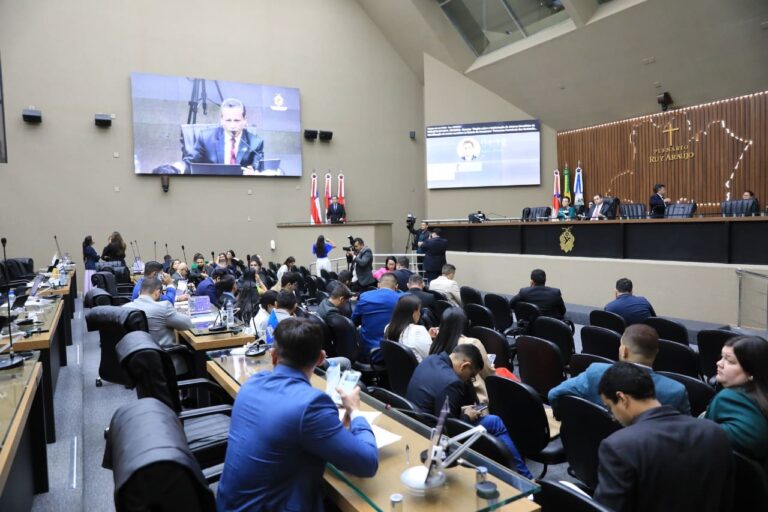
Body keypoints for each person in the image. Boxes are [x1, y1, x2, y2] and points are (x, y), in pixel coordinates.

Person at [216, 318, 378, 511]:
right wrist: (355, 411)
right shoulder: (312, 405)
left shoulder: (251, 383)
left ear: (274, 355)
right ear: (321, 358)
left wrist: (332, 429)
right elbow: (367, 463)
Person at [594, 362, 733, 512]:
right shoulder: (715, 432)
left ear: (622, 398)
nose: (613, 417)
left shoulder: (618, 447)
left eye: (609, 408)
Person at [406, 344, 532, 479]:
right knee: (495, 422)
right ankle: (525, 477)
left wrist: (460, 411)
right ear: (464, 365)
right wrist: (466, 416)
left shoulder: (430, 359)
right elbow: (449, 432)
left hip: (414, 424)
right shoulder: (453, 383)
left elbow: (436, 401)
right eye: (471, 376)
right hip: (432, 438)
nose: (469, 380)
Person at [548, 324, 690, 416]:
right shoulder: (675, 391)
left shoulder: (596, 372)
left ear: (624, 350)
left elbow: (554, 394)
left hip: (590, 449)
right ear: (656, 353)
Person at [704, 336, 768, 468]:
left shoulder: (729, 398)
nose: (719, 363)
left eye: (730, 361)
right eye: (721, 357)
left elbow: (755, 438)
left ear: (751, 371)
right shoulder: (761, 394)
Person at [123, 277, 193, 374]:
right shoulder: (163, 307)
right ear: (157, 292)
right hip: (165, 362)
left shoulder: (124, 309)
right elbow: (187, 324)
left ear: (140, 292)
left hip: (136, 364)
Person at [429, 307, 495, 404]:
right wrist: (491, 367)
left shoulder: (435, 342)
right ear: (465, 324)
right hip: (471, 400)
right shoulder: (472, 343)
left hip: (439, 395)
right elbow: (488, 375)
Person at [183, 98, 264, 174]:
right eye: (228, 120)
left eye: (237, 120)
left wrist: (254, 173)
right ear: (221, 120)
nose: (232, 125)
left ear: (245, 120)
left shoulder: (256, 142)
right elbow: (189, 162)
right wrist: (178, 167)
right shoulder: (206, 138)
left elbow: (259, 169)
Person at [351, 273, 400, 362]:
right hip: (392, 353)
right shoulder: (402, 299)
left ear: (378, 285)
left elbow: (353, 322)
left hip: (366, 351)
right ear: (396, 286)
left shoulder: (364, 296)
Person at [384, 295, 437, 362]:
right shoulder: (418, 330)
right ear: (414, 313)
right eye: (419, 310)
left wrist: (427, 336)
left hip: (398, 369)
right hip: (420, 370)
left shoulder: (388, 327)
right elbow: (430, 356)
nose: (420, 314)